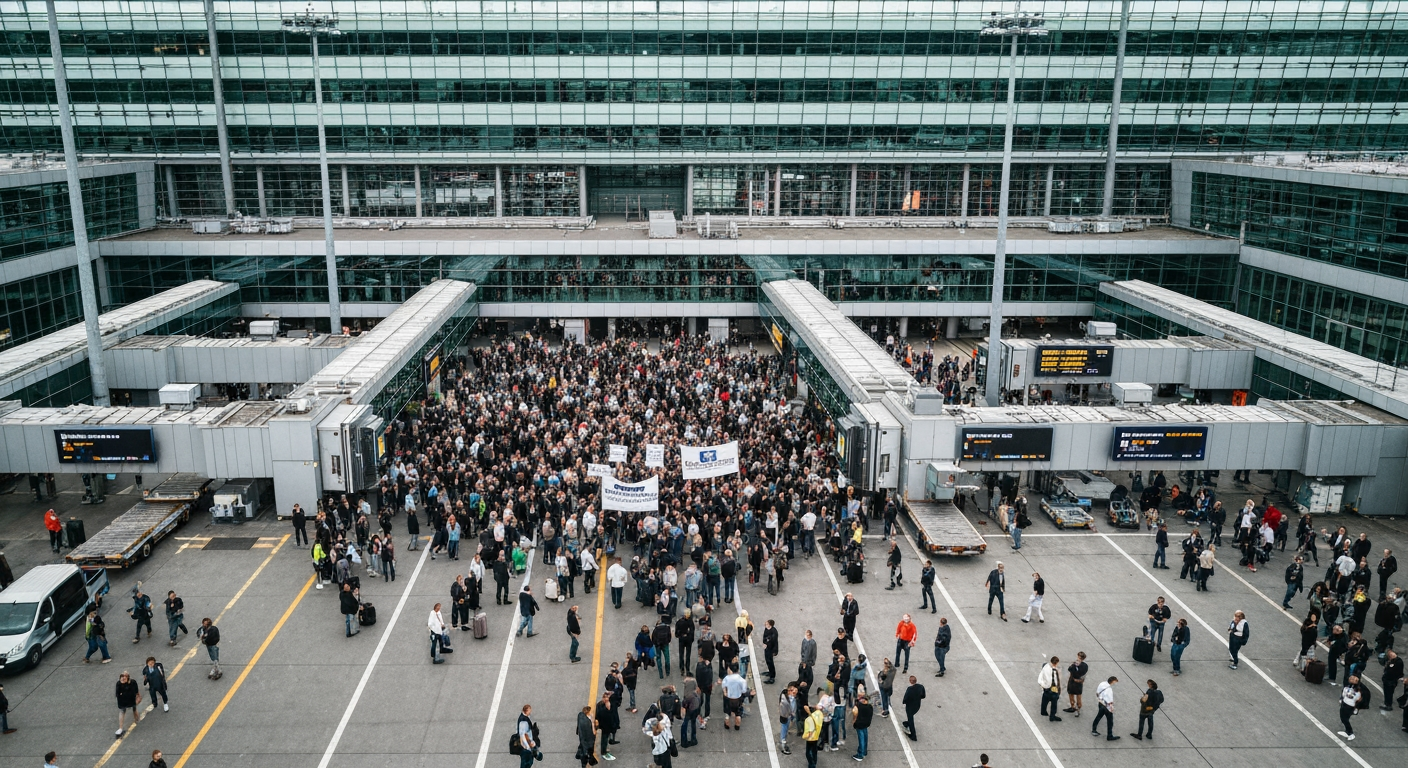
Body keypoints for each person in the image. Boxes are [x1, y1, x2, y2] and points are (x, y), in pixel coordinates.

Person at [721, 666, 750, 731]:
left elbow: (723, 686)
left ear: (731, 670)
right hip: (737, 699)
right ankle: (737, 725)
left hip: (729, 698)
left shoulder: (727, 678)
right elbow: (744, 691)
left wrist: (725, 692)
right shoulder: (741, 680)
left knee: (727, 712)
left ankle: (727, 724)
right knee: (738, 713)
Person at [1091, 676, 1119, 741]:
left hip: (1100, 703)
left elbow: (1097, 692)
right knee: (1110, 722)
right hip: (1106, 707)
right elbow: (1109, 701)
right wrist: (1111, 709)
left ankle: (1094, 730)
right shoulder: (1109, 690)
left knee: (1098, 717)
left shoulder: (1102, 683)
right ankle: (1109, 735)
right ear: (1112, 682)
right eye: (1114, 682)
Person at [115, 670, 141, 738]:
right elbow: (117, 694)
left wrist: (138, 696)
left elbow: (136, 691)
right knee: (122, 711)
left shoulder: (133, 682)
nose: (123, 678)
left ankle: (137, 720)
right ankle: (120, 727)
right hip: (122, 701)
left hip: (131, 699)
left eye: (125, 677)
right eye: (122, 677)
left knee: (134, 709)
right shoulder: (119, 684)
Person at [595, 689, 619, 761]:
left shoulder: (610, 705)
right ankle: (603, 751)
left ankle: (605, 749)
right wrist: (608, 709)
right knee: (604, 739)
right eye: (605, 698)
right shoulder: (600, 706)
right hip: (605, 726)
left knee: (606, 738)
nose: (606, 700)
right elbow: (601, 716)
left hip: (608, 725)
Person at [1337, 676, 1363, 740]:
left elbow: (1358, 700)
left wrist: (1356, 708)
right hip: (1344, 703)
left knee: (1345, 719)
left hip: (1350, 706)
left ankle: (1350, 733)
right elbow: (1344, 693)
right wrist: (1341, 699)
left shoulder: (1358, 691)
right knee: (1343, 718)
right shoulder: (1348, 687)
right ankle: (1347, 731)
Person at [1037, 656, 1062, 721]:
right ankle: (1052, 716)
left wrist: (1043, 685)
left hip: (1047, 689)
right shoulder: (1052, 670)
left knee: (1045, 700)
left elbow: (1040, 678)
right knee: (1054, 704)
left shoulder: (1046, 667)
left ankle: (1043, 711)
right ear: (1056, 663)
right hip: (1052, 689)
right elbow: (1055, 681)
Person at [901, 675, 925, 740]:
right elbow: (923, 696)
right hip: (917, 705)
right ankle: (907, 723)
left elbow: (906, 698)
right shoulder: (921, 686)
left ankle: (913, 735)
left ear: (910, 681)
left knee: (910, 718)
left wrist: (904, 702)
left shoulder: (909, 689)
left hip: (910, 706)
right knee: (911, 717)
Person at [851, 691, 873, 762]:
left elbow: (855, 715)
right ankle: (864, 751)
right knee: (865, 736)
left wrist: (853, 722)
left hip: (859, 724)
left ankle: (860, 754)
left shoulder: (858, 707)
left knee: (861, 738)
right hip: (866, 724)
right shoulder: (870, 707)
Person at [1064, 652, 1087, 716]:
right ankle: (1078, 709)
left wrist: (1073, 665)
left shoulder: (1074, 665)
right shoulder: (1085, 665)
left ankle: (1073, 707)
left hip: (1072, 682)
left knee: (1071, 695)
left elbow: (1069, 669)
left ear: (1079, 657)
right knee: (1079, 696)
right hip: (1079, 683)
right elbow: (1084, 673)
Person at [801, 704, 824, 768]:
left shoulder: (808, 720)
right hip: (816, 736)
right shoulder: (820, 714)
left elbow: (809, 733)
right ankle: (814, 762)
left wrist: (804, 736)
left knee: (808, 753)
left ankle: (812, 765)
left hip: (811, 738)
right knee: (814, 751)